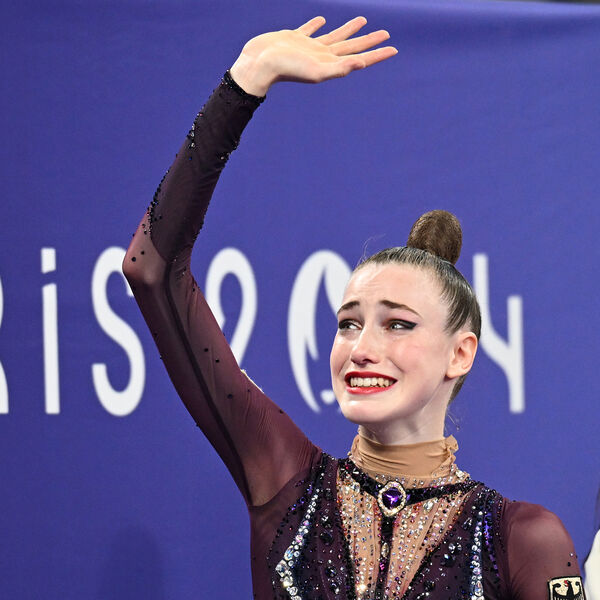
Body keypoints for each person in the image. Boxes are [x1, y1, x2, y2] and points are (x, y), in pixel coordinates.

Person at [123, 16, 584, 600]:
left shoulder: (523, 539)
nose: (362, 349)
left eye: (397, 324)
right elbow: (152, 269)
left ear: (460, 353)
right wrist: (244, 84)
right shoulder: (286, 484)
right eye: (348, 323)